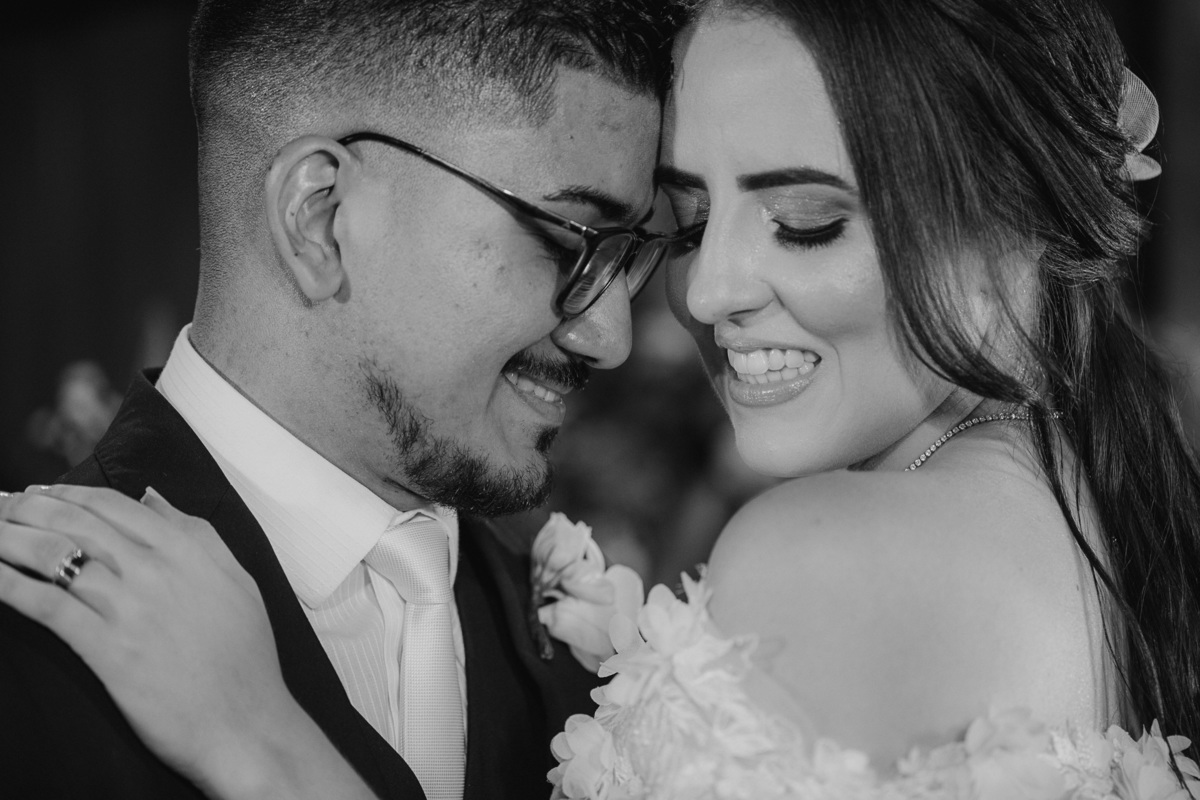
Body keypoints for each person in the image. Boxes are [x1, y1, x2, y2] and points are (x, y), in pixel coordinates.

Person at [5, 0, 1200, 797]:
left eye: (804, 221)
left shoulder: (829, 556)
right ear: (319, 215)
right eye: (593, 237)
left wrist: (265, 747)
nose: (674, 308)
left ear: (1011, 217)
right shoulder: (1093, 514)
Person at [0, 1, 683, 799]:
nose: (611, 336)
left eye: (627, 257)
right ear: (319, 218)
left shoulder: (594, 671)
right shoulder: (23, 647)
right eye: (569, 240)